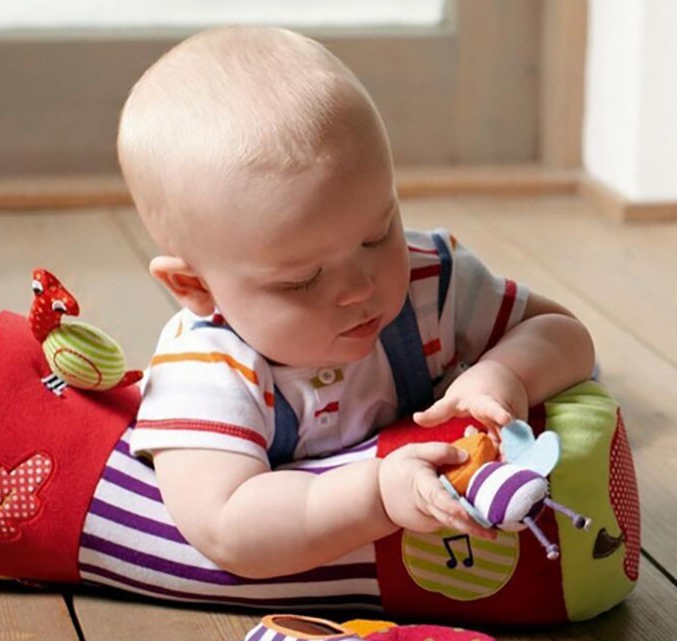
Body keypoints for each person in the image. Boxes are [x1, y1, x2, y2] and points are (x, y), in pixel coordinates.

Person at [116, 26, 595, 582]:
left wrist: (502, 373)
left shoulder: (427, 280)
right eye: (302, 280)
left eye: (376, 234)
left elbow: (565, 332)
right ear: (195, 288)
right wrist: (377, 493)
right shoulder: (204, 369)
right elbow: (228, 528)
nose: (359, 288)